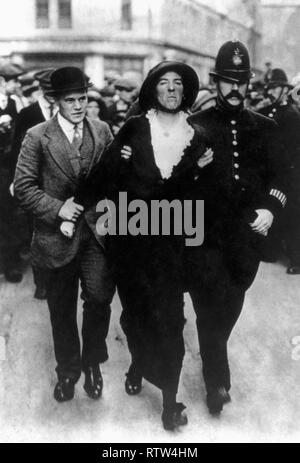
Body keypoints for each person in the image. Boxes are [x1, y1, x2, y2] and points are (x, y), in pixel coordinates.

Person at [101, 60, 210, 430]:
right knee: (136, 316)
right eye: (164, 83)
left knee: (171, 320)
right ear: (152, 89)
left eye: (178, 83)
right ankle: (136, 362)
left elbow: (199, 194)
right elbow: (104, 176)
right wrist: (119, 160)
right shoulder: (134, 128)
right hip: (132, 243)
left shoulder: (196, 135)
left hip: (172, 246)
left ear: (185, 92)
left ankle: (169, 403)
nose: (171, 89)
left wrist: (199, 170)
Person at [186, 41, 287, 415]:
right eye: (226, 81)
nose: (233, 89)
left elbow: (284, 177)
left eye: (240, 82)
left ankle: (214, 355)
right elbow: (175, 182)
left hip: (247, 237)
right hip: (205, 236)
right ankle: (217, 382)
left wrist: (272, 209)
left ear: (249, 85)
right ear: (214, 83)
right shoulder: (194, 125)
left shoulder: (267, 127)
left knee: (230, 302)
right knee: (208, 305)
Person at [14, 67, 116, 403]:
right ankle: (68, 371)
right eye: (70, 100)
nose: (78, 106)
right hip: (55, 238)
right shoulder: (36, 136)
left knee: (100, 299)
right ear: (55, 101)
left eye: (83, 99)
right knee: (61, 309)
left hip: (97, 237)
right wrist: (58, 208)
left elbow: (115, 179)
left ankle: (92, 363)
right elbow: (24, 188)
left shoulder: (101, 131)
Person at [11, 68, 57, 298]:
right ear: (40, 88)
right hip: (35, 182)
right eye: (47, 90)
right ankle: (42, 282)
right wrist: (16, 179)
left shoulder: (66, 111)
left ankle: (57, 279)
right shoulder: (28, 113)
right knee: (38, 232)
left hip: (61, 182)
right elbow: (16, 149)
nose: (51, 94)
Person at [259, 69, 300, 273]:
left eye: (275, 87)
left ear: (285, 89)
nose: (271, 92)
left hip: (292, 172)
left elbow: (292, 150)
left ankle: (296, 259)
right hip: (274, 170)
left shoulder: (292, 115)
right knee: (273, 207)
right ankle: (271, 250)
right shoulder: (269, 112)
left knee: (292, 214)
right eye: (270, 88)